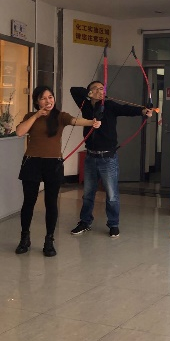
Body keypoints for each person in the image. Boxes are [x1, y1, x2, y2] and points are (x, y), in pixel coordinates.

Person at [15, 85, 101, 257]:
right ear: (37, 101)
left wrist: (92, 122)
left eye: (50, 97)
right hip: (32, 162)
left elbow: (76, 121)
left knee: (51, 203)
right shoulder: (30, 116)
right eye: (43, 98)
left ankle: (49, 240)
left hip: (53, 163)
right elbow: (19, 132)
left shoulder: (60, 116)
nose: (48, 101)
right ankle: (24, 238)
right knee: (29, 202)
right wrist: (37, 115)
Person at [69, 81, 152, 238]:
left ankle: (113, 224)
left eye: (102, 89)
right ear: (90, 92)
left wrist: (143, 111)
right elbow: (74, 90)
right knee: (88, 194)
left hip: (108, 158)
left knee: (112, 194)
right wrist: (89, 94)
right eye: (97, 89)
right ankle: (85, 222)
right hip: (91, 156)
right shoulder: (85, 105)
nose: (101, 91)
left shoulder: (109, 105)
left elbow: (126, 109)